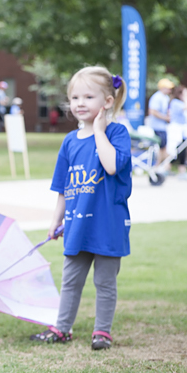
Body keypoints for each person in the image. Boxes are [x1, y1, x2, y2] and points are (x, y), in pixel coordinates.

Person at [30, 67, 131, 351]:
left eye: (89, 96)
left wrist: (99, 130)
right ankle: (62, 328)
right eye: (75, 97)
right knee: (71, 280)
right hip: (77, 224)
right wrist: (55, 220)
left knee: (104, 282)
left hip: (107, 224)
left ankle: (102, 331)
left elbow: (111, 165)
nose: (80, 103)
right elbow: (63, 187)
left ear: (107, 102)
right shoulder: (69, 141)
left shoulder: (117, 133)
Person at [148, 78, 174, 170]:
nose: (170, 90)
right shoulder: (157, 97)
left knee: (164, 147)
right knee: (161, 147)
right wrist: (165, 118)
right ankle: (158, 166)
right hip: (157, 127)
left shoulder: (165, 98)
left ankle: (163, 166)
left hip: (163, 127)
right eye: (168, 88)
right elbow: (153, 112)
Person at [166, 85, 187, 179]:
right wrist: (186, 97)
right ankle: (165, 168)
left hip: (182, 131)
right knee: (176, 151)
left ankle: (180, 170)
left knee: (182, 150)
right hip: (176, 131)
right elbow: (186, 107)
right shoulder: (175, 102)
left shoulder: (178, 102)